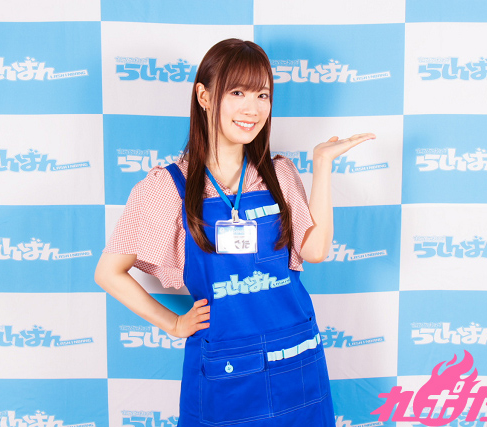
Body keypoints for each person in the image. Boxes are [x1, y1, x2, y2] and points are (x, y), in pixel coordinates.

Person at [95, 38, 375, 426]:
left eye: (262, 95)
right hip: (224, 366)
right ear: (204, 97)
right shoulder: (167, 187)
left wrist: (322, 165)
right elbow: (108, 272)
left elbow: (315, 251)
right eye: (238, 92)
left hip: (295, 354)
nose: (252, 108)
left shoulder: (278, 174)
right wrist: (174, 324)